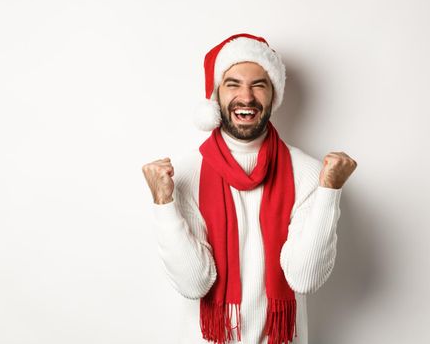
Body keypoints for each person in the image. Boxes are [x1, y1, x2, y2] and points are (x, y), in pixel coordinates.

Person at [142, 33, 357, 344]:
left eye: (259, 84)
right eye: (233, 84)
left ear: (273, 95)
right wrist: (164, 204)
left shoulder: (310, 173)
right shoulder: (185, 174)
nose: (246, 96)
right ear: (216, 97)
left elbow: (303, 277)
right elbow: (193, 284)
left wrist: (329, 193)